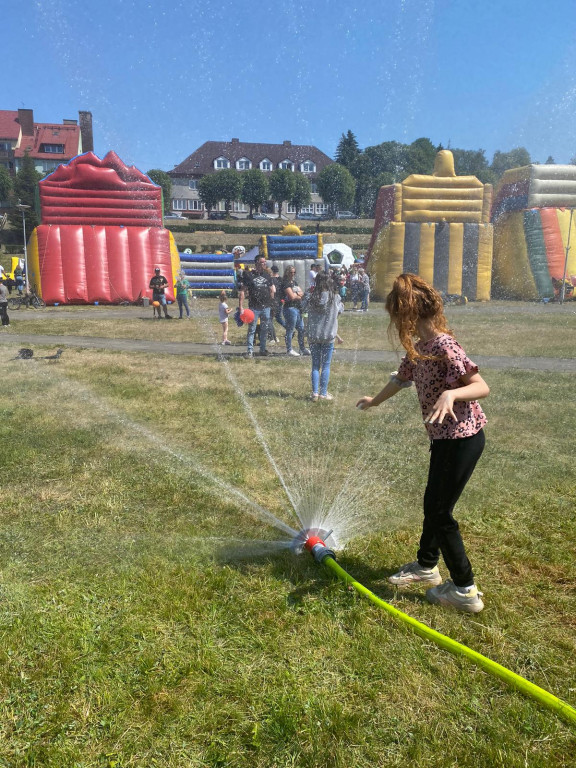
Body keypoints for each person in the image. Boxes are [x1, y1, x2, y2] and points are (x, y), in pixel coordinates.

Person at [356, 273, 489, 613]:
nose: (397, 324)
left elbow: (480, 386)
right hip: (444, 440)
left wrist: (451, 392)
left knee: (440, 512)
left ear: (409, 314)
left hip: (463, 438)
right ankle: (427, 566)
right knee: (434, 504)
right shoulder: (418, 349)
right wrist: (375, 401)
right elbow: (400, 380)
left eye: (398, 317)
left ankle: (464, 590)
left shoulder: (444, 345)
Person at [302, 270, 344, 401]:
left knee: (315, 365)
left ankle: (314, 393)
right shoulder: (334, 297)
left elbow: (303, 307)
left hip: (314, 335)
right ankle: (323, 393)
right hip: (328, 335)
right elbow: (340, 310)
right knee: (325, 365)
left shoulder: (311, 296)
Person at [237, 254, 275, 358]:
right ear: (257, 263)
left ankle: (262, 349)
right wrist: (241, 306)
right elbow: (243, 291)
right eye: (262, 262)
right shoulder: (249, 275)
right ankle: (250, 351)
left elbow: (271, 290)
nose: (264, 264)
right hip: (254, 308)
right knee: (252, 329)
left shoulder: (267, 275)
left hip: (266, 307)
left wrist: (272, 305)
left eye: (265, 262)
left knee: (264, 329)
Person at [281, 265, 310, 357]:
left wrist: (297, 294)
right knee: (290, 329)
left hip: (297, 308)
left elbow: (302, 293)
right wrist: (298, 295)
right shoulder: (285, 283)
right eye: (291, 272)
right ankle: (289, 349)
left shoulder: (294, 282)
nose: (292, 274)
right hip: (289, 309)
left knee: (301, 329)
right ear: (287, 273)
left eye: (294, 272)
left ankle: (302, 348)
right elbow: (292, 297)